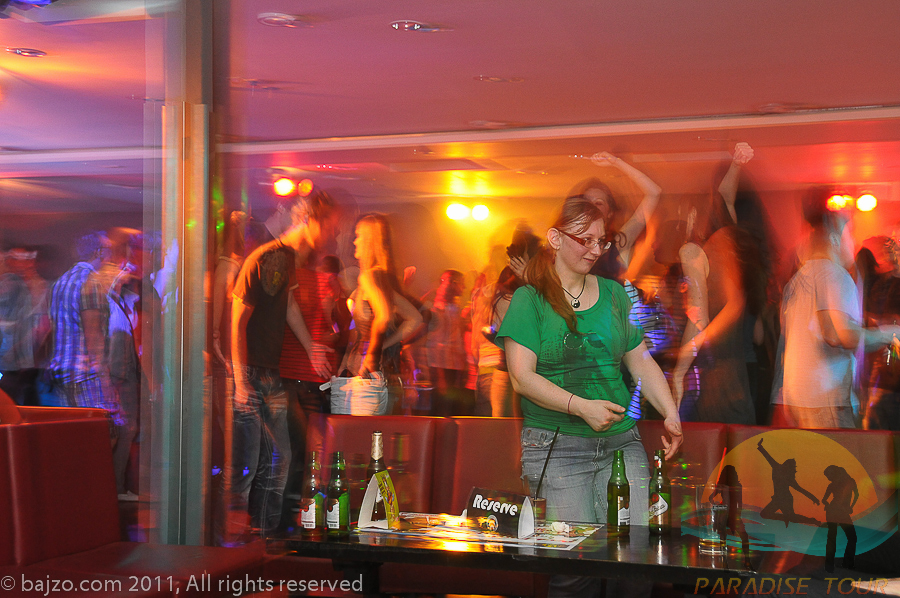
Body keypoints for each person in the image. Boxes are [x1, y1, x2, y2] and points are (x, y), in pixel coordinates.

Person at [497, 195, 682, 598]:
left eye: (601, 241)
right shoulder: (529, 299)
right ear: (555, 238)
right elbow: (522, 378)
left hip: (622, 442)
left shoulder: (615, 294)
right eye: (585, 240)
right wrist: (580, 407)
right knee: (574, 570)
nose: (596, 250)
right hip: (557, 446)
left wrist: (671, 412)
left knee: (636, 565)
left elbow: (641, 360)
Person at [229, 190, 337, 540]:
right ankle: (238, 534)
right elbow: (237, 319)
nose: (332, 234)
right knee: (253, 463)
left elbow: (289, 305)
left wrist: (311, 348)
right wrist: (240, 380)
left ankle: (264, 532)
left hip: (267, 371)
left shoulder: (286, 258)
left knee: (279, 457)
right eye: (328, 225)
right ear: (308, 220)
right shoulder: (269, 257)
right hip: (252, 371)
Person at [772, 187, 900, 428]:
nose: (853, 242)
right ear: (834, 239)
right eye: (849, 233)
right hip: (828, 399)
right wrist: (889, 334)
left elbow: (819, 330)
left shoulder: (798, 280)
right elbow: (839, 335)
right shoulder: (835, 274)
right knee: (840, 454)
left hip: (798, 398)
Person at [336, 214, 422, 415]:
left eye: (358, 235)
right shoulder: (383, 277)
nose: (354, 241)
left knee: (363, 432)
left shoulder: (369, 276)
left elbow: (383, 316)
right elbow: (415, 318)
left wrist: (371, 355)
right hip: (384, 374)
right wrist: (383, 345)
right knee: (380, 432)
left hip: (367, 375)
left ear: (369, 241)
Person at [47, 232, 123, 436]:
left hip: (62, 372)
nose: (111, 256)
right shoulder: (90, 282)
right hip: (85, 375)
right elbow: (93, 336)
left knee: (72, 438)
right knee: (99, 436)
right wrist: (106, 382)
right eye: (108, 250)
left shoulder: (61, 281)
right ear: (98, 252)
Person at [756, 438, 819, 527]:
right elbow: (768, 457)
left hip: (786, 500)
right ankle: (789, 518)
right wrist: (760, 447)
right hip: (778, 499)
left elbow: (800, 489)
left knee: (792, 518)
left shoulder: (788, 476)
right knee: (765, 514)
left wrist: (813, 498)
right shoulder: (777, 467)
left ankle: (812, 521)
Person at [822, 465, 858, 572]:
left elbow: (856, 495)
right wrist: (827, 504)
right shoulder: (833, 485)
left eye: (829, 475)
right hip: (835, 511)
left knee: (836, 537)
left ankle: (838, 565)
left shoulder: (848, 482)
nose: (828, 478)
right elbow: (824, 499)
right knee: (835, 537)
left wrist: (850, 507)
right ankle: (843, 564)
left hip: (838, 512)